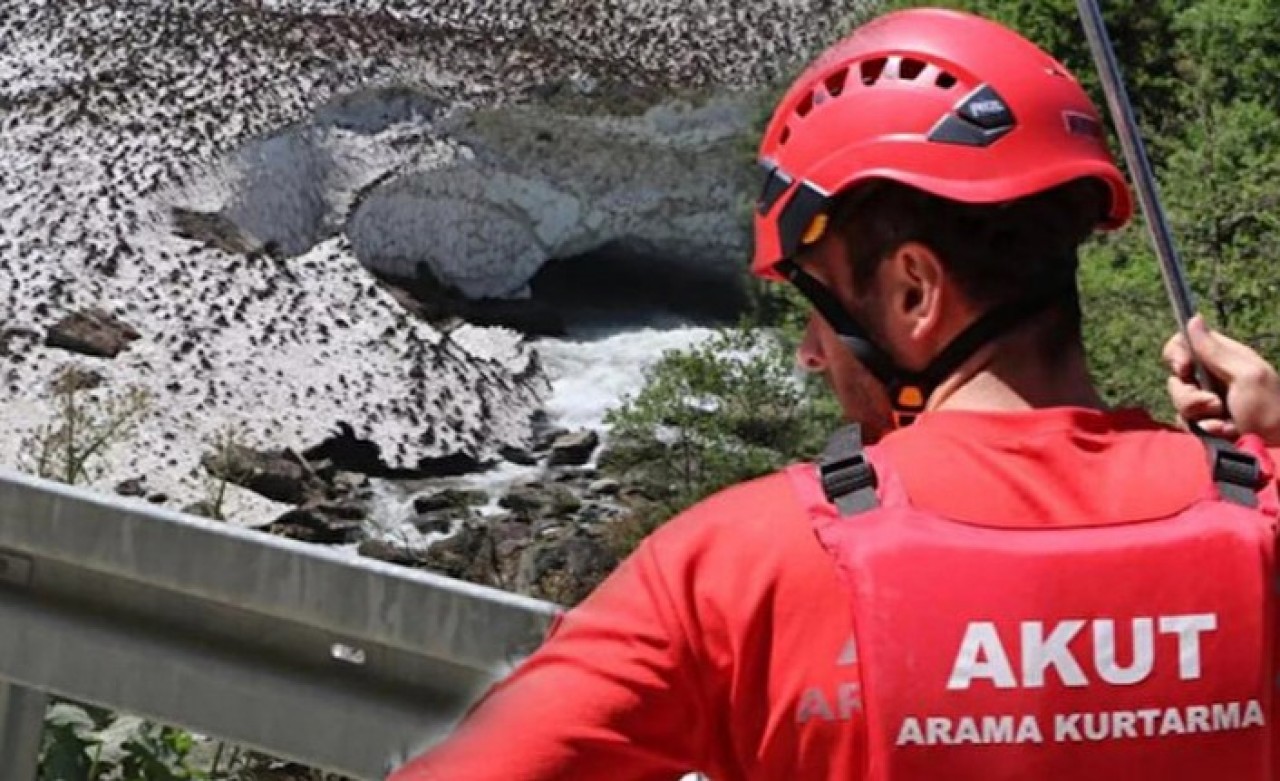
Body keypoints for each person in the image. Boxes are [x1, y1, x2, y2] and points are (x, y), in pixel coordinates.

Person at [389, 8, 1280, 780]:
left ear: (912, 292)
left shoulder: (736, 570)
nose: (813, 354)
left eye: (814, 302)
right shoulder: (1262, 510)